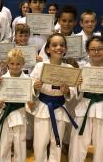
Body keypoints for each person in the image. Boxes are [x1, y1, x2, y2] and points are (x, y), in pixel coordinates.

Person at [28, 33, 77, 162]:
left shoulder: (69, 68)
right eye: (54, 45)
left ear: (66, 49)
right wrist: (35, 86)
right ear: (48, 49)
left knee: (57, 142)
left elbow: (72, 92)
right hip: (43, 107)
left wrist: (67, 91)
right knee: (39, 143)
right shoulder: (40, 66)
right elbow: (30, 85)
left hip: (60, 108)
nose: (58, 47)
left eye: (62, 45)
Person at [69, 36, 103, 162]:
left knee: (101, 146)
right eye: (93, 49)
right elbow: (75, 94)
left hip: (102, 109)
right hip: (84, 108)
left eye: (100, 49)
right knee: (77, 144)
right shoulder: (82, 69)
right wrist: (78, 85)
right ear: (88, 51)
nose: (96, 52)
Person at [0, 48, 32, 162]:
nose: (15, 66)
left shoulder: (27, 80)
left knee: (20, 144)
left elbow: (29, 101)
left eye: (18, 64)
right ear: (7, 63)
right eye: (12, 63)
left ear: (23, 64)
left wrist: (30, 104)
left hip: (20, 114)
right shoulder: (2, 80)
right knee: (5, 144)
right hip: (6, 115)